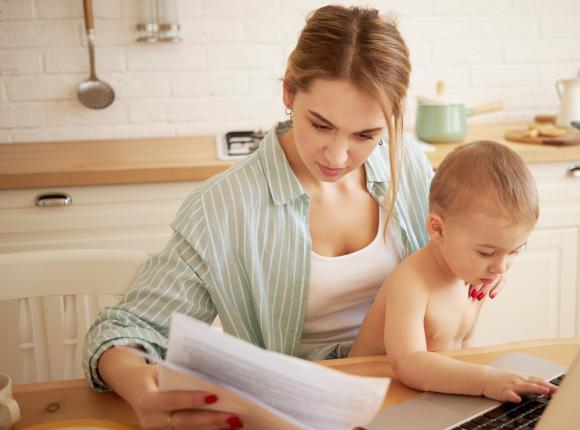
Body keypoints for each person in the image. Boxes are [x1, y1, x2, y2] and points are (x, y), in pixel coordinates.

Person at [82, 5, 499, 429]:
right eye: (320, 125)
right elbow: (125, 328)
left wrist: (485, 264)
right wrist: (138, 384)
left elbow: (462, 244)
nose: (338, 156)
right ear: (288, 93)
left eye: (365, 135)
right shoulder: (223, 207)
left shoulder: (407, 164)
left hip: (416, 401)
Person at [349, 140, 558, 403]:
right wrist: (486, 381)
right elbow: (408, 363)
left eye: (515, 250)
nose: (500, 268)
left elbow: (463, 352)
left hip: (430, 397)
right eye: (486, 253)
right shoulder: (411, 283)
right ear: (438, 229)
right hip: (367, 401)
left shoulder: (472, 275)